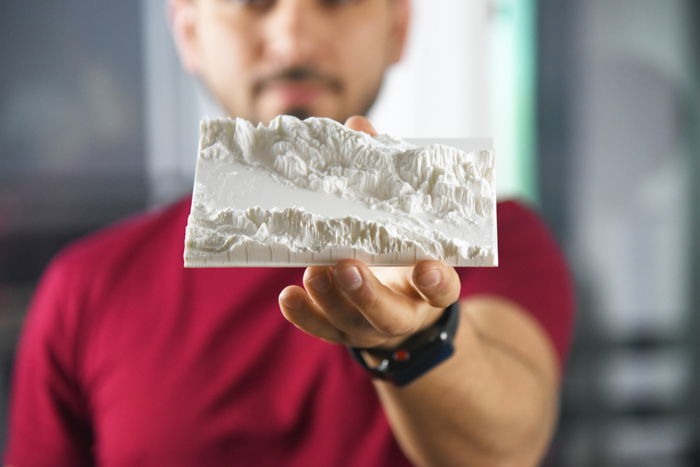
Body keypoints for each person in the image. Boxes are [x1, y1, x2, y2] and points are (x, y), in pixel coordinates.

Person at [4, 0, 574, 466]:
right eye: (254, 4)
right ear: (189, 33)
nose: (294, 41)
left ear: (397, 29)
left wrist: (418, 339)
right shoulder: (87, 286)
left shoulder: (501, 239)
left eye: (336, 2)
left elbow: (504, 450)